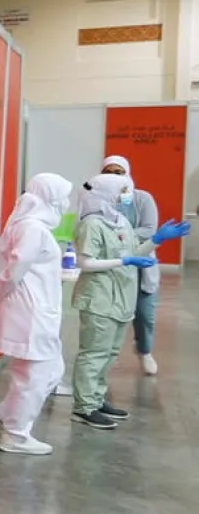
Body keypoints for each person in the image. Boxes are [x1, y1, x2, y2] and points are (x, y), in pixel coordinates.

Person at [68, 173, 188, 430]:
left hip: (121, 298)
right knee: (93, 354)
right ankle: (84, 407)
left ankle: (97, 399)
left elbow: (134, 252)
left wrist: (157, 239)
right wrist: (124, 261)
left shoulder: (120, 221)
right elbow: (85, 263)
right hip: (99, 298)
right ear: (106, 192)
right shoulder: (92, 224)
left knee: (110, 354)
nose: (127, 195)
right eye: (121, 190)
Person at [0, 173, 74, 455]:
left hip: (34, 310)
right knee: (35, 374)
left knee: (50, 370)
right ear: (49, 197)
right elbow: (12, 272)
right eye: (62, 195)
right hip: (30, 313)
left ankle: (1, 418)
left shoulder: (32, 226)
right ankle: (16, 434)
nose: (66, 202)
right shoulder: (32, 228)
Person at [99, 155, 162, 375]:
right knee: (109, 317)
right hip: (112, 268)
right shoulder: (99, 200)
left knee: (144, 315)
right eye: (108, 172)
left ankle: (144, 350)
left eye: (118, 172)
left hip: (141, 267)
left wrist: (116, 237)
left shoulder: (142, 199)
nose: (113, 177)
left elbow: (149, 230)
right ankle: (106, 356)